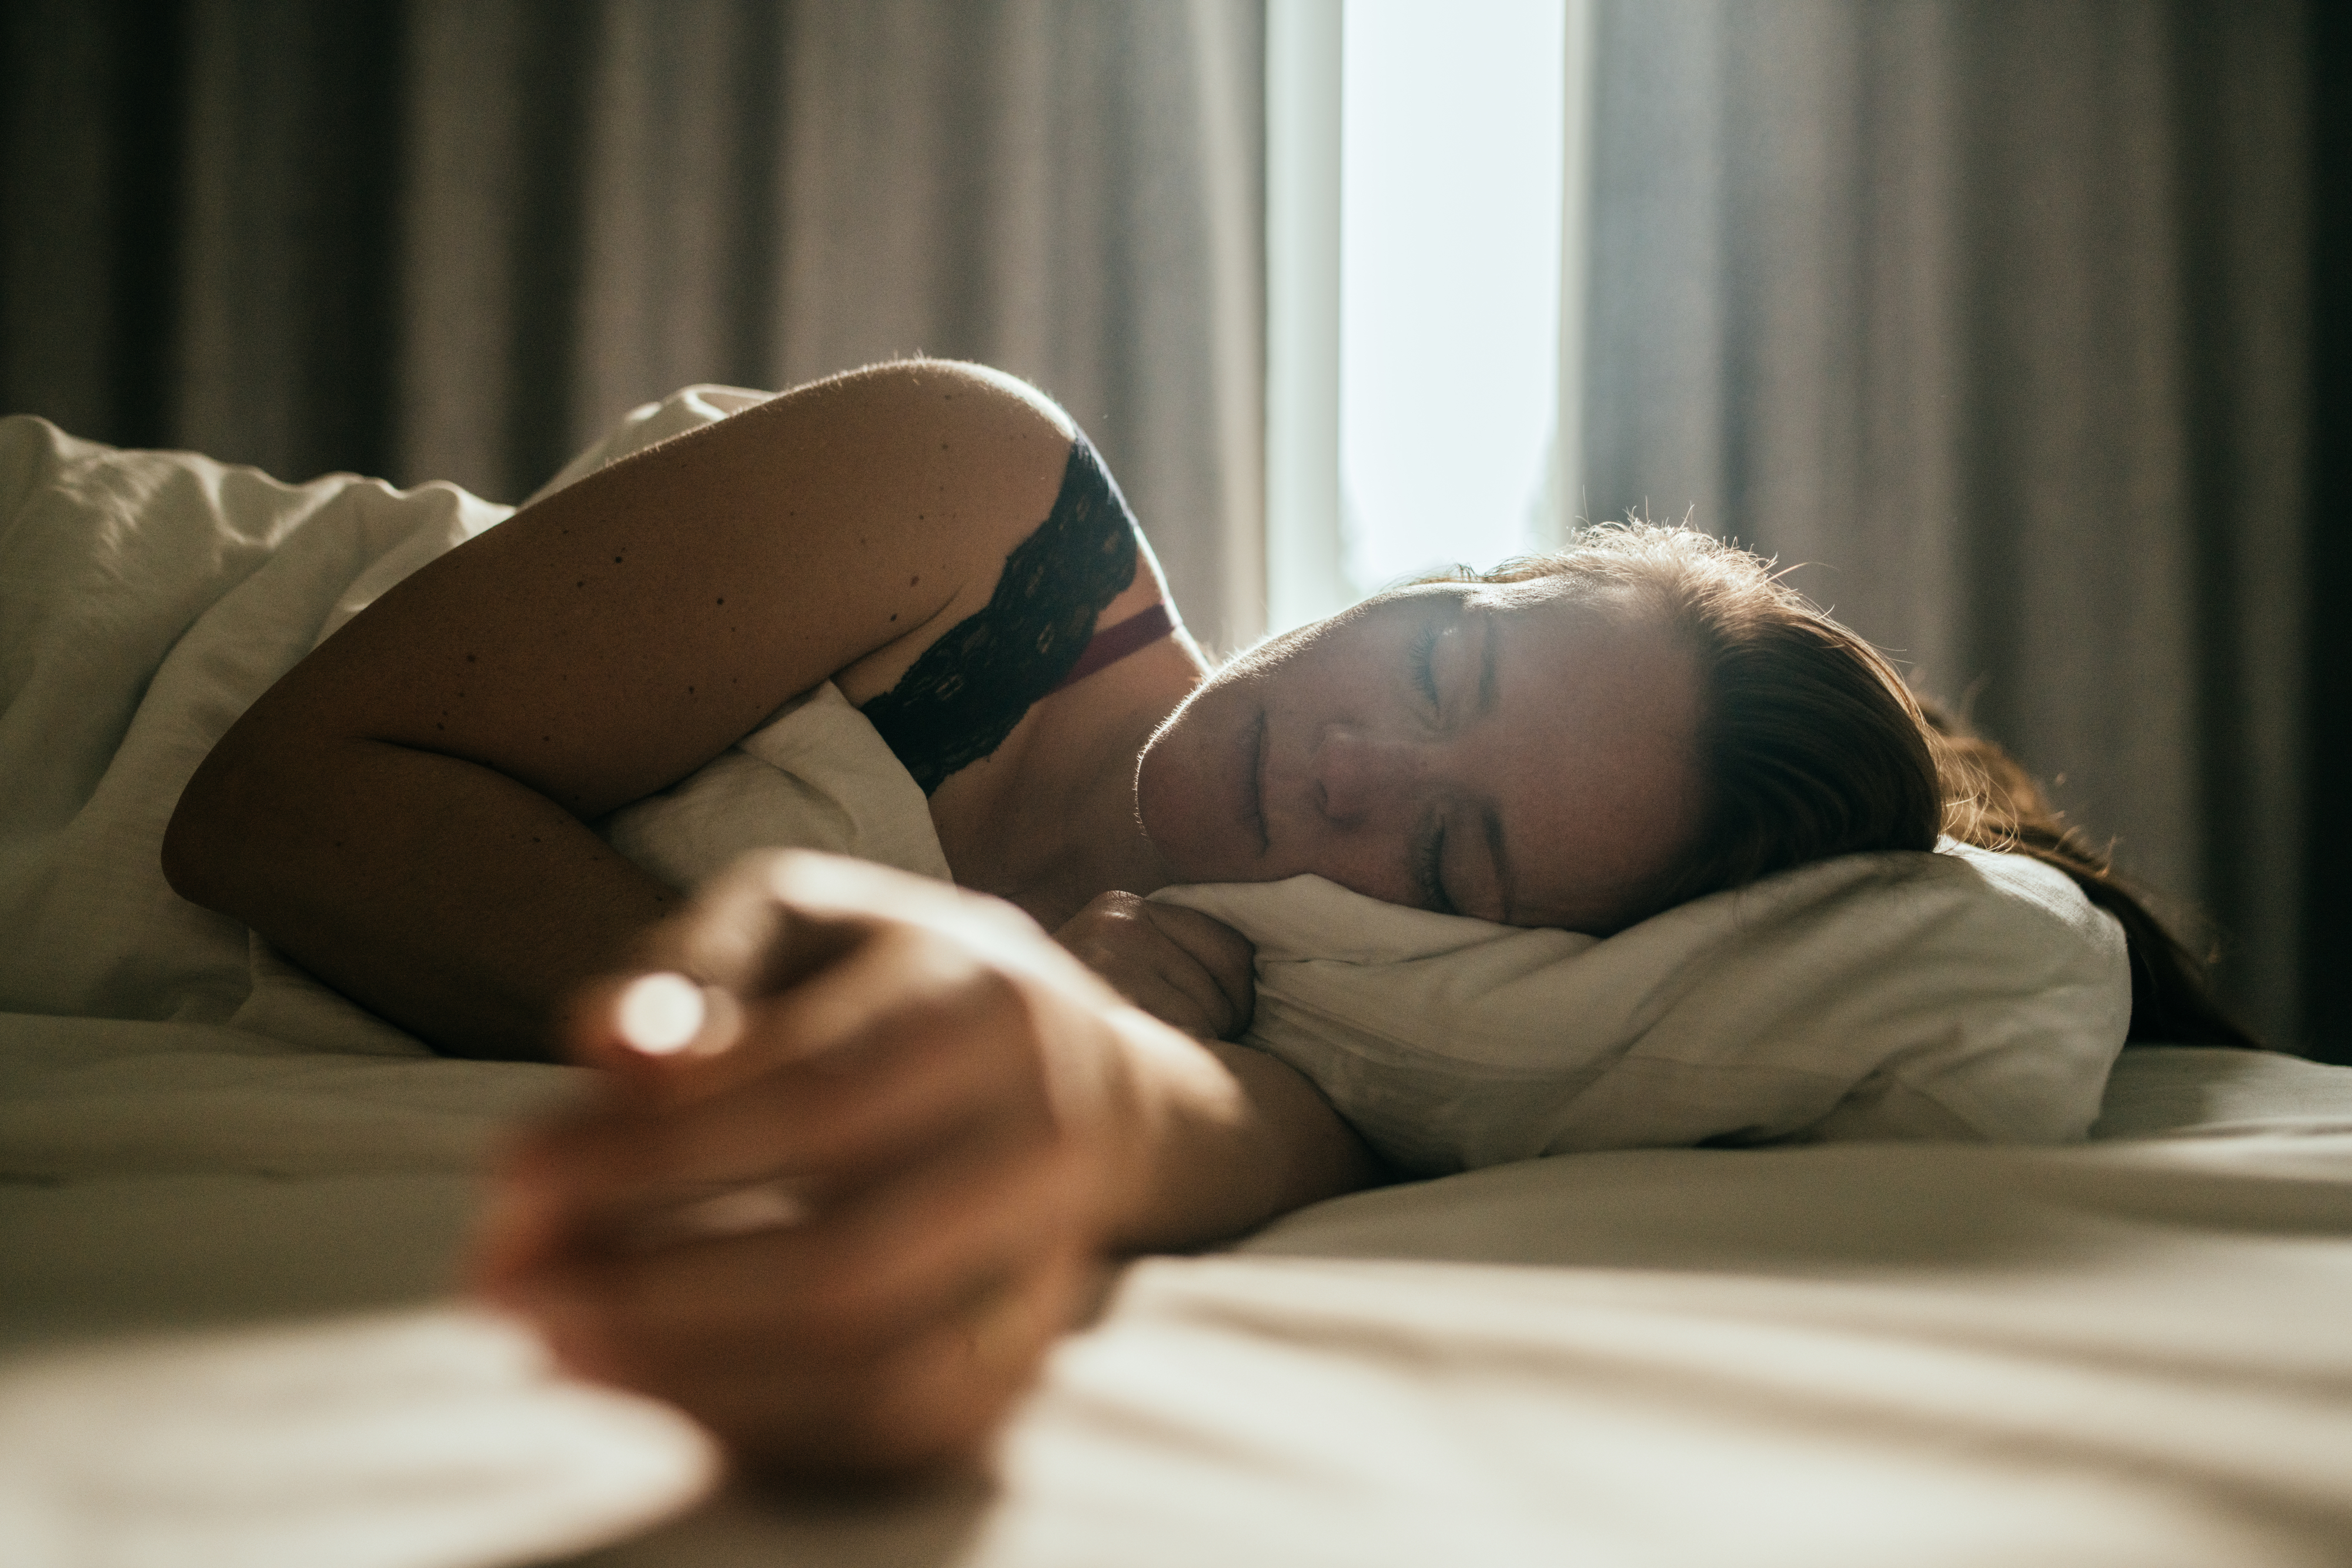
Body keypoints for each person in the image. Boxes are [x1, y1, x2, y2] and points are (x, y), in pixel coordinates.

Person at [160, 359, 2246, 1477]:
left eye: (1450, 860)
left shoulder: (1310, 1040)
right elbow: (274, 804)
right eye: (1437, 668)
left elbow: (1971, 980)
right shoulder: (986, 508)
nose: (1355, 771)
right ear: (1446, 574)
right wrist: (804, 1045)